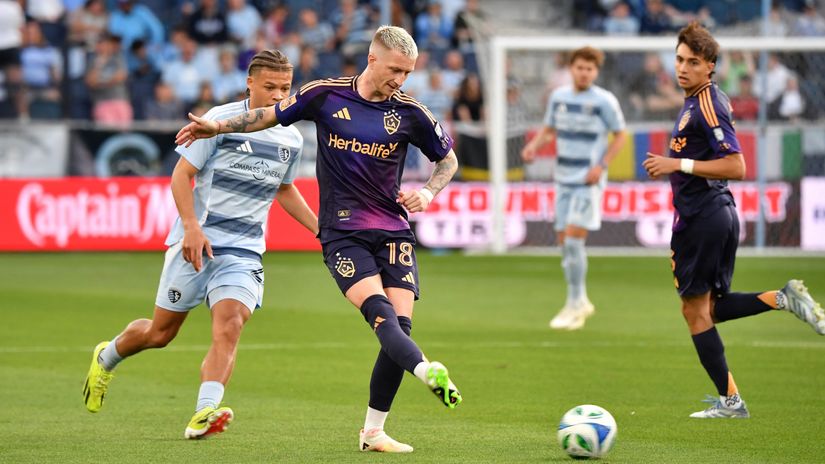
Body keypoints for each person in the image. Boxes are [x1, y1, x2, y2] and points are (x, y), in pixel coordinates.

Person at [175, 25, 461, 453]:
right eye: (395, 70)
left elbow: (448, 159)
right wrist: (217, 127)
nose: (400, 80)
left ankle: (373, 432)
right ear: (372, 59)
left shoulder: (411, 113)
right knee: (379, 314)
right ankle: (426, 370)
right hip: (343, 233)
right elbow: (267, 116)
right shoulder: (325, 94)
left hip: (393, 231)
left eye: (408, 73)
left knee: (399, 328)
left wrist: (427, 192)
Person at [82, 49, 319, 439]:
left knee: (231, 324)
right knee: (160, 334)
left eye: (286, 88)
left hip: (243, 251)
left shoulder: (291, 137)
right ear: (250, 82)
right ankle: (106, 357)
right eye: (270, 87)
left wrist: (319, 230)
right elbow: (181, 175)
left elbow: (285, 188)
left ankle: (203, 412)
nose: (279, 96)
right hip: (197, 243)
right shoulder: (218, 122)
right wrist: (191, 226)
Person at [642, 21, 824, 419]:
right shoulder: (700, 101)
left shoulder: (706, 103)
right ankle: (783, 298)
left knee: (695, 312)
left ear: (711, 66)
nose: (683, 68)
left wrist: (677, 163)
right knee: (712, 308)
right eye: (679, 59)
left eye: (693, 61)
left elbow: (737, 165)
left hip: (703, 217)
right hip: (716, 215)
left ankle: (731, 402)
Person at [521, 46, 627, 330]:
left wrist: (601, 165)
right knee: (563, 243)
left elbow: (620, 135)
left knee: (573, 240)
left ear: (596, 71)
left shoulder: (604, 101)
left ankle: (576, 301)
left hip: (587, 180)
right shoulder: (559, 97)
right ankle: (577, 302)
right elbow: (549, 130)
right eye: (580, 67)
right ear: (572, 68)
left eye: (589, 69)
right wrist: (534, 146)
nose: (584, 73)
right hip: (563, 177)